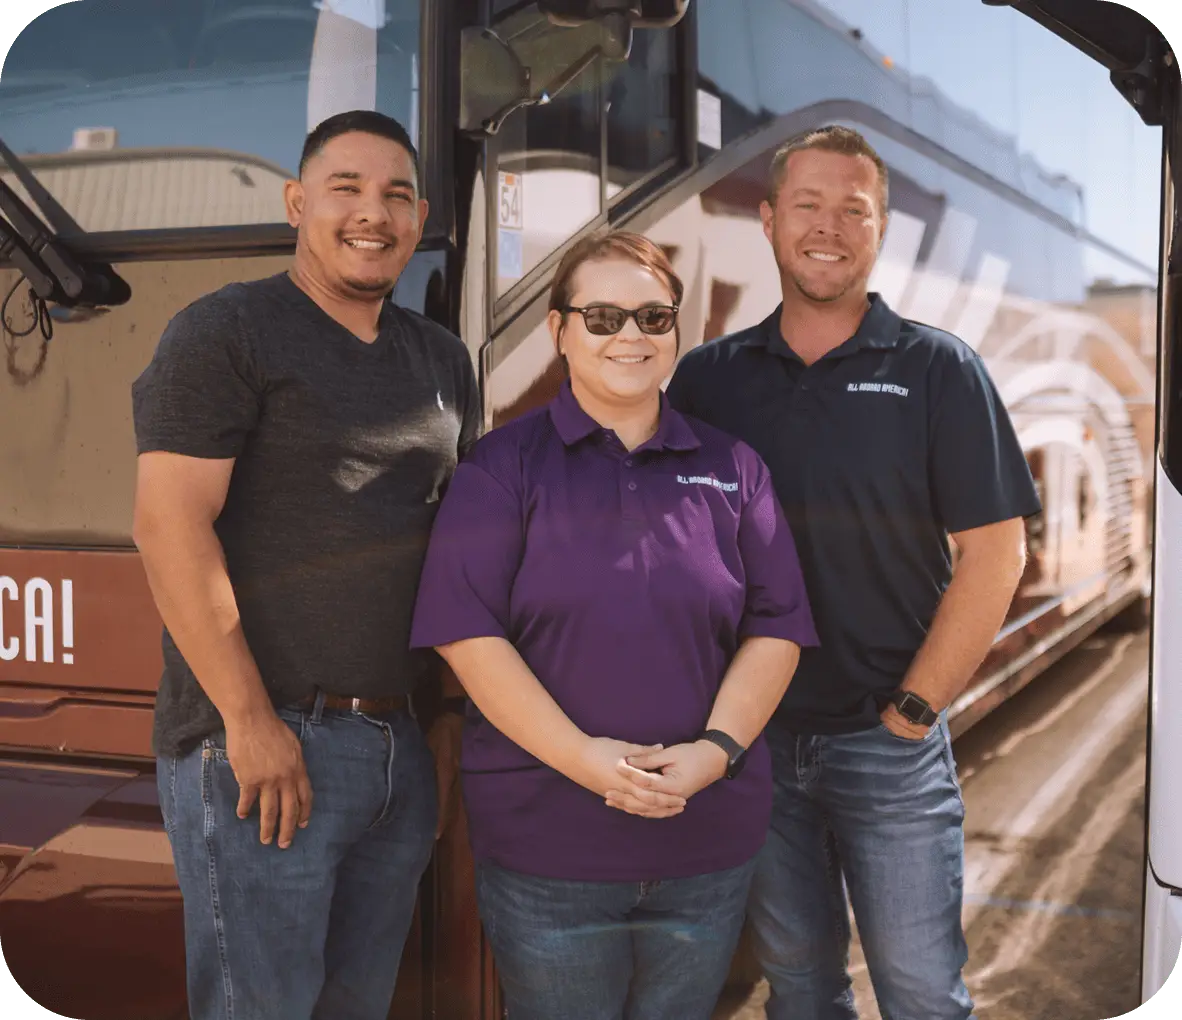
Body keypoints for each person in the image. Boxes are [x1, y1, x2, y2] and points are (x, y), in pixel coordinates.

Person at [665, 125, 1040, 1020]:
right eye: (808, 205)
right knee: (800, 989)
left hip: (888, 745)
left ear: (879, 233)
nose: (828, 227)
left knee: (920, 993)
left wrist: (914, 710)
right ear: (767, 220)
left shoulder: (937, 369)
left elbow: (996, 552)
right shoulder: (710, 380)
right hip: (752, 742)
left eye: (853, 210)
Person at [408, 230, 819, 1020]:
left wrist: (715, 752)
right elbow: (468, 636)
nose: (629, 335)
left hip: (706, 843)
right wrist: (587, 762)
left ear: (677, 330)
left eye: (652, 317)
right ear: (559, 330)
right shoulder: (501, 468)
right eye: (600, 317)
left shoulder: (735, 468)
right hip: (549, 851)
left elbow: (777, 626)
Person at [130, 109, 479, 1020]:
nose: (374, 213)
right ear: (296, 203)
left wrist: (437, 731)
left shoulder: (442, 360)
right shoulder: (227, 330)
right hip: (262, 749)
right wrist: (249, 723)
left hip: (396, 752)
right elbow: (170, 528)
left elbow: (450, 551)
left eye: (396, 195)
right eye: (346, 189)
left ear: (422, 216)